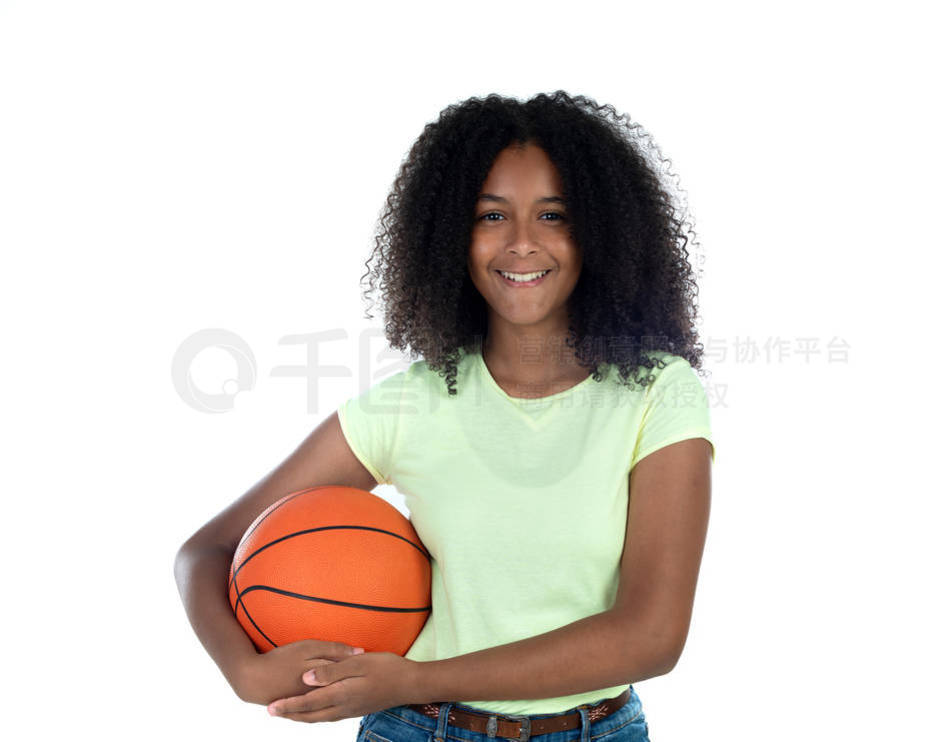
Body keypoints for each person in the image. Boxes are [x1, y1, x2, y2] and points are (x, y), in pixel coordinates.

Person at [174, 90, 714, 742]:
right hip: (418, 730)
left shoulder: (660, 392)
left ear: (599, 231)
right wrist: (245, 673)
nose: (521, 243)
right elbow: (205, 551)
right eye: (491, 215)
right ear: (449, 234)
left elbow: (651, 637)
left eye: (553, 215)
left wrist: (419, 678)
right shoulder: (411, 404)